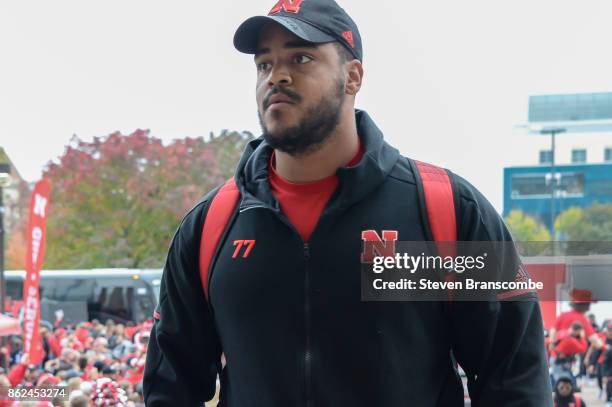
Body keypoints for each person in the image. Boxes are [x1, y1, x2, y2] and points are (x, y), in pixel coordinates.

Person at [143, 0, 551, 405]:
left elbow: (515, 377)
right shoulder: (210, 225)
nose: (277, 76)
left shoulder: (448, 208)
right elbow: (171, 386)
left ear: (352, 76)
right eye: (264, 64)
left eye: (301, 58)